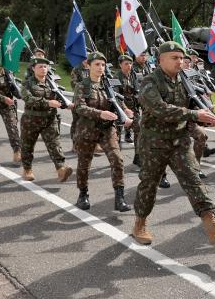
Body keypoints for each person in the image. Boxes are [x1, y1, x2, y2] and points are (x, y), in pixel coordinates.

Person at [129, 41, 215, 246]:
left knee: (193, 179)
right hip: (154, 142)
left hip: (179, 140)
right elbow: (159, 109)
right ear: (161, 60)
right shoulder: (149, 82)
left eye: (181, 58)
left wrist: (204, 116)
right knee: (149, 184)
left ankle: (212, 225)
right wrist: (194, 114)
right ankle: (139, 224)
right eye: (174, 58)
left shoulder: (184, 80)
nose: (180, 61)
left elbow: (190, 107)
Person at [71, 52, 133, 212]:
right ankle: (83, 195)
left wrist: (125, 110)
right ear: (88, 66)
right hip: (87, 130)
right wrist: (100, 113)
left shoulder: (107, 85)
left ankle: (119, 198)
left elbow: (116, 101)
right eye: (97, 64)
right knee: (84, 164)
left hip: (107, 129)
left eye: (103, 65)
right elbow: (80, 108)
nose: (100, 68)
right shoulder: (82, 86)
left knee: (117, 160)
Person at [19, 57, 73, 183]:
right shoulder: (27, 83)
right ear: (33, 69)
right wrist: (48, 103)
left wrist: (65, 104)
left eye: (45, 67)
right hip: (31, 120)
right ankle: (27, 169)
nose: (43, 69)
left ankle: (61, 169)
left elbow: (58, 98)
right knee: (27, 146)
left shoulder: (52, 83)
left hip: (50, 119)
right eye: (40, 67)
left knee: (55, 145)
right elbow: (28, 99)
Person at [115, 54, 142, 165]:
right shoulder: (116, 78)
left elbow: (138, 91)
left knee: (139, 130)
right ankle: (117, 158)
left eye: (130, 63)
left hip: (134, 107)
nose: (129, 66)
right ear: (120, 65)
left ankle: (138, 156)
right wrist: (125, 109)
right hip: (119, 109)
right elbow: (116, 96)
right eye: (126, 64)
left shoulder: (133, 75)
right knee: (117, 134)